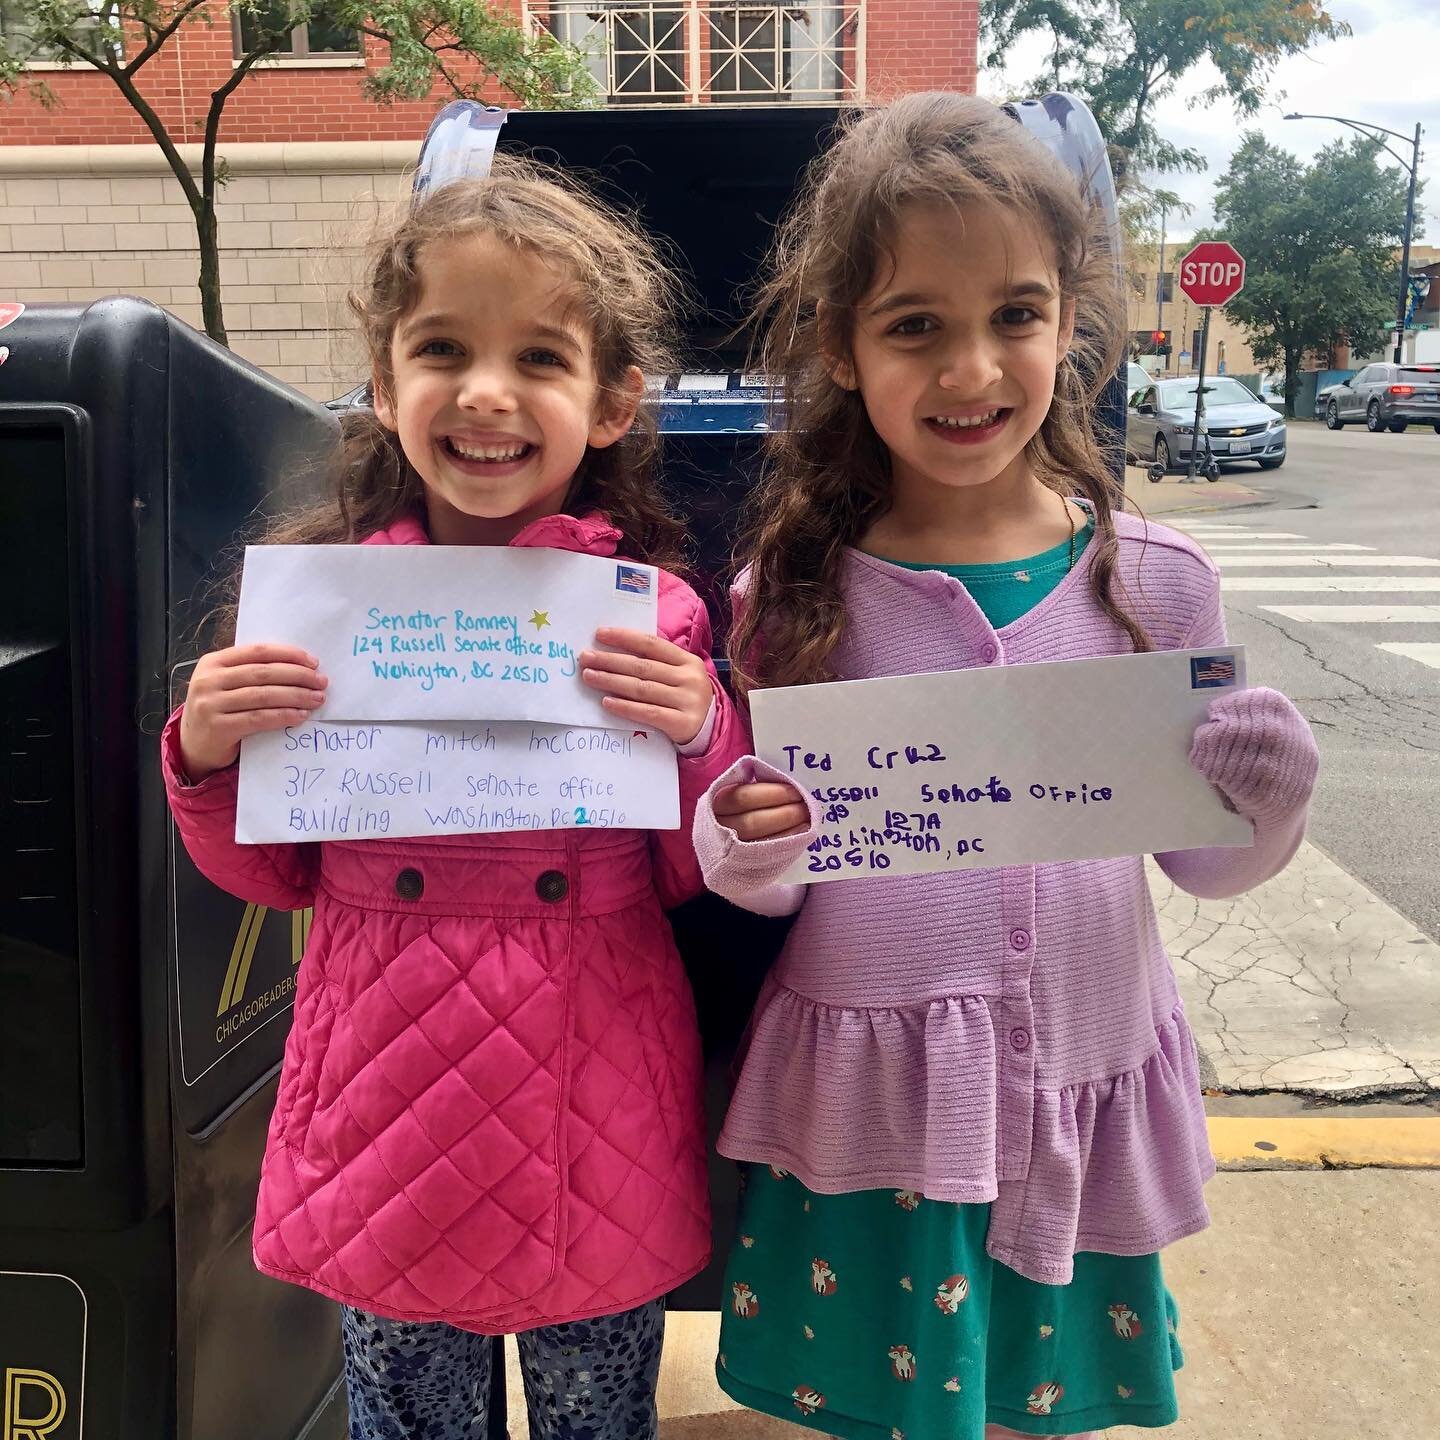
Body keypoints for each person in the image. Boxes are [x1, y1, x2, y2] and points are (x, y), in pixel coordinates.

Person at [692, 94, 1319, 1440]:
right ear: (845, 349)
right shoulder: (792, 594)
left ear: (1070, 322)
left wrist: (1268, 797)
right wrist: (744, 840)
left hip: (1076, 1069)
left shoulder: (1155, 580)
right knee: (874, 1407)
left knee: (1044, 1404)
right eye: (916, 324)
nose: (972, 367)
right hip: (880, 1099)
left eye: (1015, 315)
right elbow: (779, 878)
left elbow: (1207, 866)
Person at [162, 162, 749, 1440]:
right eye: (443, 349)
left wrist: (703, 732)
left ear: (610, 403)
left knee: (599, 1416)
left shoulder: (655, 620)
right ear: (384, 388)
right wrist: (206, 756)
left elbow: (693, 869)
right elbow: (273, 877)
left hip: (591, 1100)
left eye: (541, 355)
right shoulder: (317, 613)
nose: (487, 392)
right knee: (413, 1421)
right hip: (385, 1098)